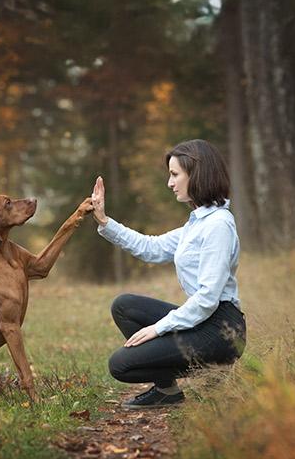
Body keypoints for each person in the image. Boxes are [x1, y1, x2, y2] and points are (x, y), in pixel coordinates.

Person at [87, 139, 246, 409]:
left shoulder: (218, 225)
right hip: (204, 322)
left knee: (121, 366)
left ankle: (215, 368)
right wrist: (104, 221)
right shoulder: (197, 223)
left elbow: (208, 298)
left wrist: (157, 328)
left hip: (223, 330)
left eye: (175, 175)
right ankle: (167, 391)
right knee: (125, 306)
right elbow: (151, 247)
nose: (170, 183)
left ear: (196, 174)